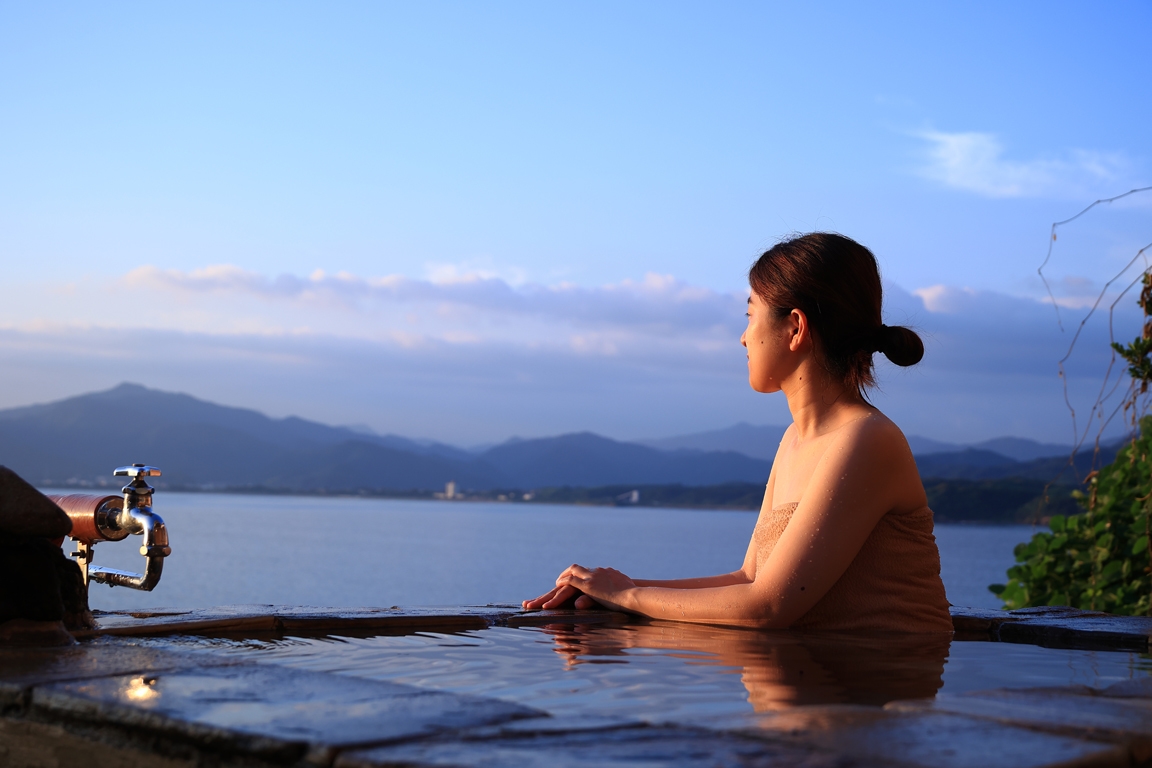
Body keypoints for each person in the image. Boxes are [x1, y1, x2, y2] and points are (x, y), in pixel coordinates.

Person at [523, 233, 953, 632]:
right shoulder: (795, 441)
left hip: (881, 694)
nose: (744, 338)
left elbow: (767, 606)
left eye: (751, 316)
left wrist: (628, 595)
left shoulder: (866, 440)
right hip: (817, 695)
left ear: (796, 328)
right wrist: (614, 590)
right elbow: (748, 579)